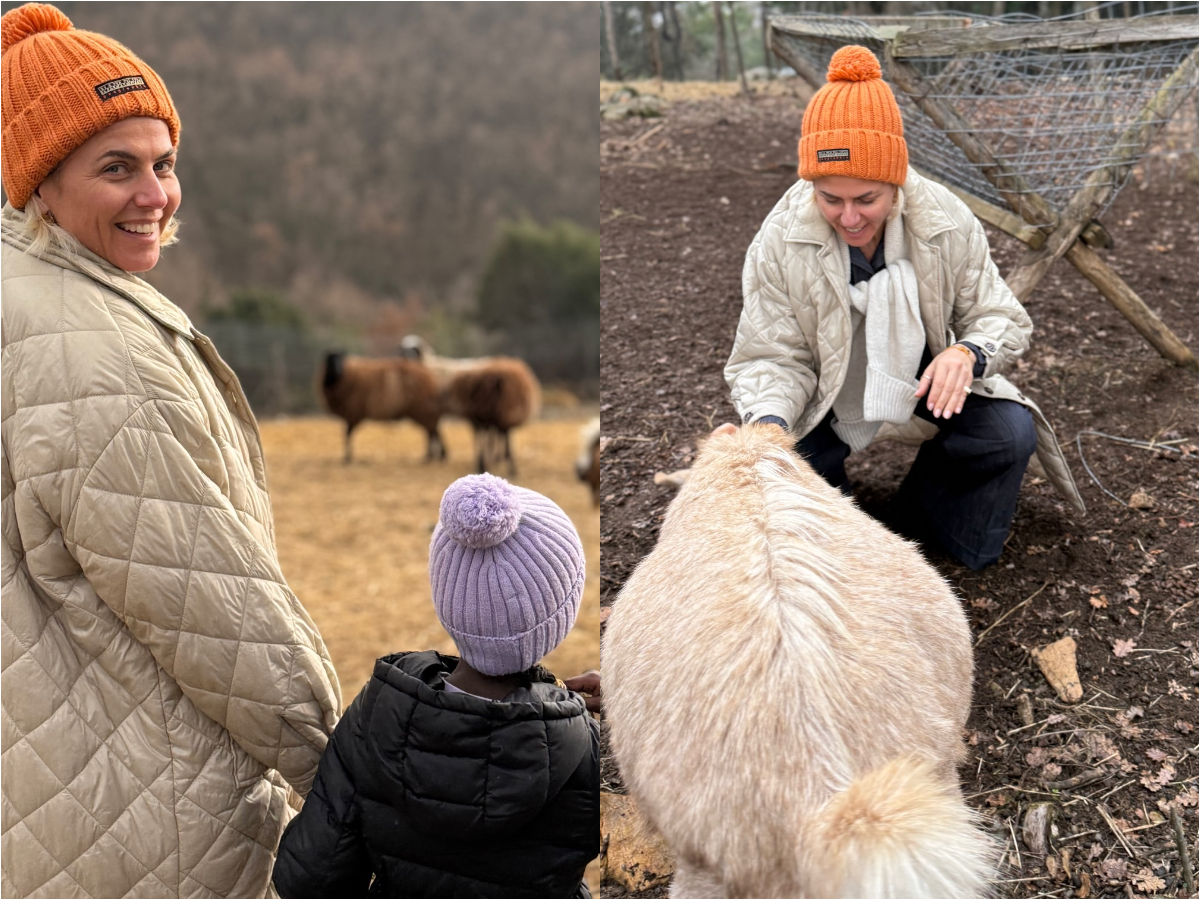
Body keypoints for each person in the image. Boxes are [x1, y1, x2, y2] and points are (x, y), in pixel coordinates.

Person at [1, 5, 341, 897]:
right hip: (152, 827)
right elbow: (214, 619)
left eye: (164, 163)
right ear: (37, 182)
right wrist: (354, 781)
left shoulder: (21, 307)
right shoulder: (91, 350)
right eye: (117, 168)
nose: (155, 194)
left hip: (42, 796)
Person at [725, 45, 1084, 570]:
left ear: (895, 181)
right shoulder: (780, 240)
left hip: (923, 369)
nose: (848, 218)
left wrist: (966, 352)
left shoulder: (945, 220)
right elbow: (771, 356)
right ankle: (843, 552)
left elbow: (999, 314)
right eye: (830, 198)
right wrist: (770, 423)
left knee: (1008, 433)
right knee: (789, 457)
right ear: (811, 185)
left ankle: (931, 520)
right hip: (826, 379)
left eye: (866, 198)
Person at [272, 474, 600, 898]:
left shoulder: (378, 711)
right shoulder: (578, 739)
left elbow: (310, 879)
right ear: (560, 616)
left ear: (448, 602)